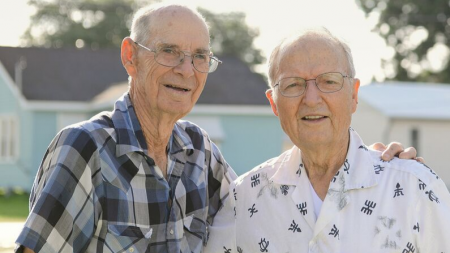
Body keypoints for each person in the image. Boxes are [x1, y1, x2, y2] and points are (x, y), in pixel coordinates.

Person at [15, 4, 419, 253]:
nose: (186, 70)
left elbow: (264, 206)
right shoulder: (84, 149)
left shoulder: (199, 153)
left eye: (200, 56)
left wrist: (374, 167)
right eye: (169, 52)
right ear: (131, 57)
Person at [205, 28, 450, 253]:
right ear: (274, 103)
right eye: (293, 85)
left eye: (329, 81)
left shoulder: (415, 188)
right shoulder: (243, 200)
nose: (311, 99)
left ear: (353, 95)